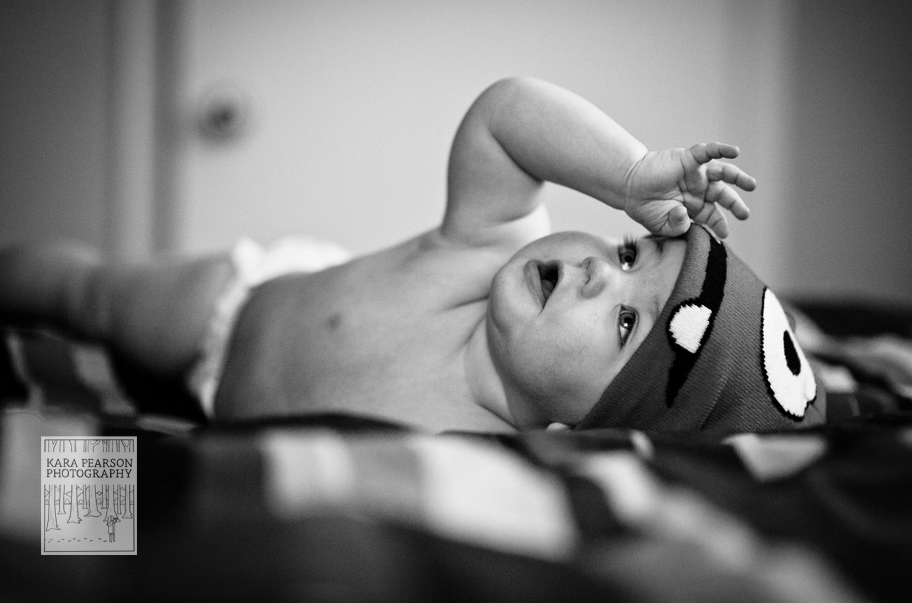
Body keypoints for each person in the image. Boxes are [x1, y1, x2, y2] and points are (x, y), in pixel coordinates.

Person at [0, 77, 824, 434]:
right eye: (627, 249)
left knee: (82, 515)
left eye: (621, 320)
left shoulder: (483, 453)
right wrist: (631, 173)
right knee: (92, 294)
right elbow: (505, 116)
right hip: (238, 312)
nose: (600, 268)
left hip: (226, 424)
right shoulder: (485, 252)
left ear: (592, 425)